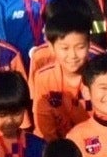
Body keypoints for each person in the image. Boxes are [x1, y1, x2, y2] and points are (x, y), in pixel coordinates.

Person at [30, 10, 97, 141]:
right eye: (65, 48)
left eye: (80, 47)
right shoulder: (44, 78)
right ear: (51, 47)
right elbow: (44, 125)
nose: (72, 55)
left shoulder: (100, 74)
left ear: (89, 44)